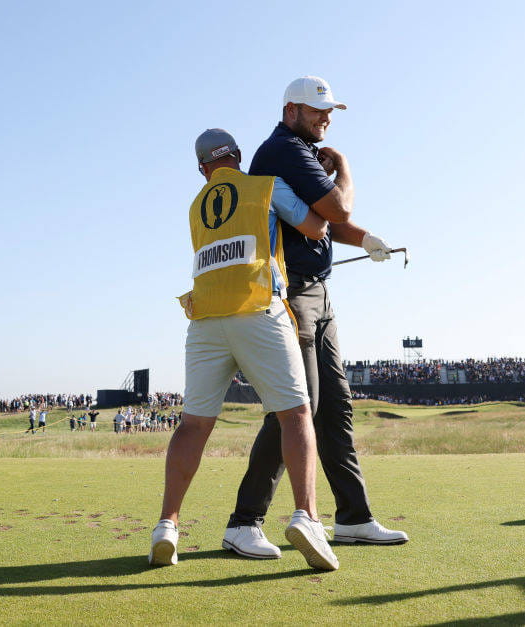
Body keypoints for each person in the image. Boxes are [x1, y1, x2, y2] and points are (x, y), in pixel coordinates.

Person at [225, 76, 408, 556]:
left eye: (329, 111)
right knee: (295, 406)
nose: (325, 118)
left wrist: (366, 239)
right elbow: (336, 205)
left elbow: (328, 221)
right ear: (291, 111)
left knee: (335, 408)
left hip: (320, 295)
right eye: (316, 110)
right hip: (293, 294)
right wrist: (344, 166)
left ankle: (353, 519)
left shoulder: (298, 150)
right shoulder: (285, 149)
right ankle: (243, 522)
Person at [149, 128, 337, 571]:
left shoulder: (196, 206)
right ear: (237, 155)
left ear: (202, 169)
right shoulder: (263, 185)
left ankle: (167, 525)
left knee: (193, 425)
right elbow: (316, 226)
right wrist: (325, 179)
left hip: (204, 320)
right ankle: (307, 517)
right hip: (257, 309)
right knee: (295, 414)